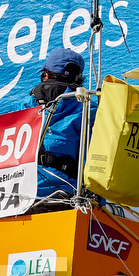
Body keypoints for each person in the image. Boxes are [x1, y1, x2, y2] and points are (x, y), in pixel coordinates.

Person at [33, 47, 97, 197]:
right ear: (79, 79)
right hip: (68, 196)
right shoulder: (89, 108)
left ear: (45, 76)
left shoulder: (26, 105)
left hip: (16, 196)